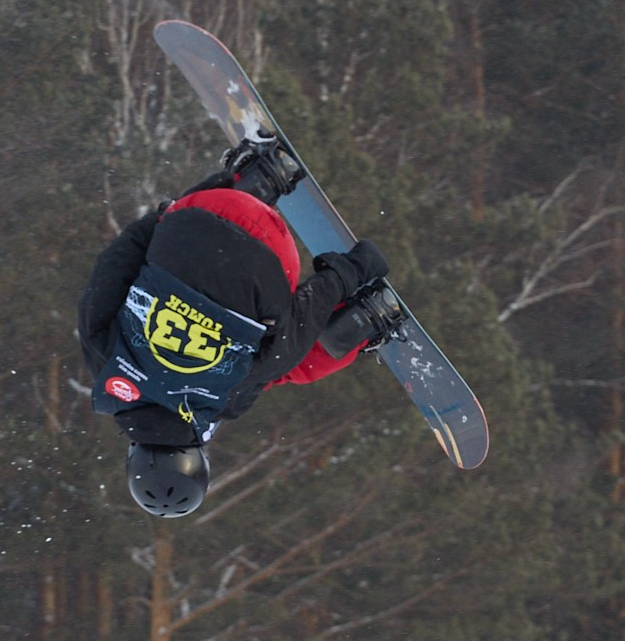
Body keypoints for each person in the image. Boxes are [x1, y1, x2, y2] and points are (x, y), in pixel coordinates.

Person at [77, 139, 398, 517]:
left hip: (270, 251)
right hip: (202, 213)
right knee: (184, 252)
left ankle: (366, 317)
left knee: (282, 365)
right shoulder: (105, 364)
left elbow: (284, 349)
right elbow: (111, 270)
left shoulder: (220, 402)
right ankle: (258, 180)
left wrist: (348, 273)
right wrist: (160, 221)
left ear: (198, 457)